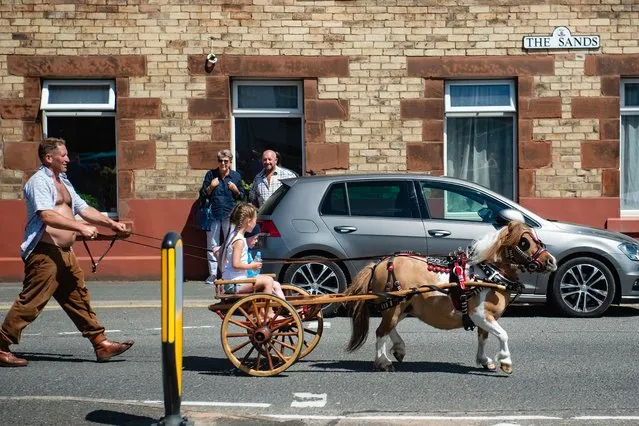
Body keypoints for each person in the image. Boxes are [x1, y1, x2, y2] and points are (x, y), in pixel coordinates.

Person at [0, 137, 134, 367]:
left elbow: (82, 207)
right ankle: (1, 345)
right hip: (45, 253)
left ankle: (100, 343)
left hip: (64, 251)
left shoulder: (63, 180)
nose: (68, 159)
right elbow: (47, 215)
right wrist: (80, 227)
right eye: (63, 155)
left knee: (78, 296)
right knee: (32, 301)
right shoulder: (38, 182)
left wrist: (110, 224)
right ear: (48, 157)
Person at [220, 203, 285, 299]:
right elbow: (236, 264)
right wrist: (252, 266)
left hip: (237, 280)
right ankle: (268, 311)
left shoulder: (236, 236)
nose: (256, 223)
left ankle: (278, 307)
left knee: (272, 282)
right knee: (268, 281)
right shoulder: (239, 241)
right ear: (249, 221)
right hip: (235, 283)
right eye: (255, 220)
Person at [198, 149, 244, 284]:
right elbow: (202, 195)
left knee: (230, 243)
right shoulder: (210, 175)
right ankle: (213, 274)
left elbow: (242, 196)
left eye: (225, 161)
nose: (223, 163)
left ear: (230, 162)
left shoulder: (236, 176)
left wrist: (236, 190)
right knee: (212, 244)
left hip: (230, 215)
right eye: (220, 161)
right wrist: (211, 187)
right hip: (213, 215)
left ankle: (227, 273)